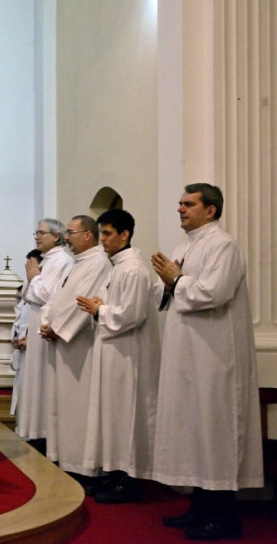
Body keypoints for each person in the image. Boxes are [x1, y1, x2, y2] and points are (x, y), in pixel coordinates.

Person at [149, 183, 262, 540]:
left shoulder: (222, 245)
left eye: (188, 204)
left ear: (210, 210)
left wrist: (177, 279)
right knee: (192, 431)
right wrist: (168, 283)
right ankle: (199, 507)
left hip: (214, 356)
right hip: (187, 355)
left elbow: (215, 292)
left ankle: (224, 517)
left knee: (215, 432)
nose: (180, 209)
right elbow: (167, 293)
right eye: (179, 203)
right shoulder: (183, 247)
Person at [75, 209, 160, 504]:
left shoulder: (134, 269)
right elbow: (108, 303)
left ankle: (129, 479)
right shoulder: (117, 267)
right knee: (112, 415)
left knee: (127, 416)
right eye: (101, 233)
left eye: (108, 234)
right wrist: (99, 306)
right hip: (112, 352)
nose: (103, 240)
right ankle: (114, 472)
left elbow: (132, 314)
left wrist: (100, 309)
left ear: (125, 235)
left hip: (128, 356)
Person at [39, 215, 111, 478]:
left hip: (81, 346)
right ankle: (65, 459)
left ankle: (82, 466)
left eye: (71, 233)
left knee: (79, 405)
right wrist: (46, 322)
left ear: (87, 235)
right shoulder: (77, 263)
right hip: (62, 342)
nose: (66, 238)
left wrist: (58, 328)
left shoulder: (99, 263)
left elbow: (83, 303)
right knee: (63, 404)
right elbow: (56, 298)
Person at [14, 219, 73, 452]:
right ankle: (33, 431)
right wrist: (33, 279)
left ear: (57, 237)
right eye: (36, 232)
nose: (37, 237)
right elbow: (29, 296)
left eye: (42, 233)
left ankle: (43, 433)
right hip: (36, 322)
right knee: (33, 379)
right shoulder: (47, 260)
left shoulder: (62, 261)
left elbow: (48, 296)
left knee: (42, 379)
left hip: (47, 326)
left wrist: (34, 278)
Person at [10, 249, 43, 417]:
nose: (27, 269)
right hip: (23, 350)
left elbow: (40, 315)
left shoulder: (42, 288)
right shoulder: (26, 288)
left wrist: (30, 338)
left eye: (31, 265)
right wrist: (16, 338)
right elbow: (19, 318)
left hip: (37, 347)